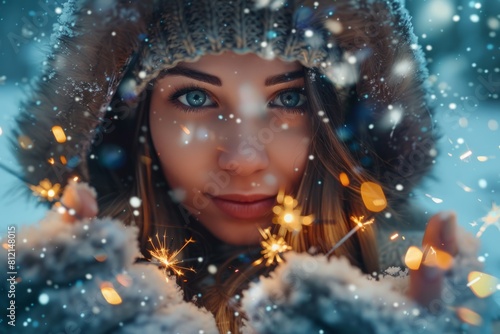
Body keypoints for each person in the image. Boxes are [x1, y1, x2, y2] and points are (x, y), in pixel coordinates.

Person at [8, 0, 491, 333]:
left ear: (342, 117)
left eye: (289, 97)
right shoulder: (47, 291)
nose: (242, 158)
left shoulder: (425, 292)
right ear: (128, 121)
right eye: (195, 97)